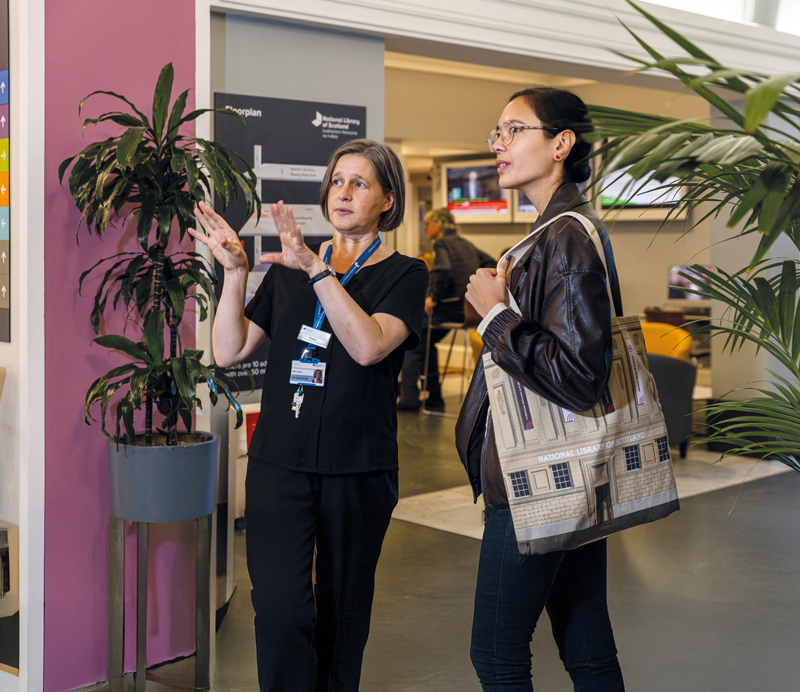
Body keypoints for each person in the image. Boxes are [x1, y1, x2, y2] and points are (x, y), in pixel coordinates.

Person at [189, 139, 428, 692]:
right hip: (279, 464)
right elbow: (229, 350)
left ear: (388, 200)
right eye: (336, 181)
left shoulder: (404, 274)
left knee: (341, 616)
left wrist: (319, 271)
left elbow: (368, 346)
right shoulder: (290, 270)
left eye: (359, 183)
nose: (342, 192)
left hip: (357, 469)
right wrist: (234, 274)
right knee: (279, 611)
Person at [455, 87, 626, 691]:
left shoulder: (565, 238)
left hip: (538, 479)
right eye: (496, 132)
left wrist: (494, 315)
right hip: (571, 471)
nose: (499, 144)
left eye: (515, 130)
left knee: (497, 654)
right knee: (586, 641)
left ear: (561, 144)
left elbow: (578, 377)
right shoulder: (551, 232)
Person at [397, 207, 495, 411]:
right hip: (467, 312)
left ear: (438, 225)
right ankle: (434, 397)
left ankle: (409, 398)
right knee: (426, 342)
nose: (426, 229)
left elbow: (443, 270)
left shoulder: (442, 243)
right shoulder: (465, 243)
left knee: (412, 340)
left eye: (428, 224)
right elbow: (491, 263)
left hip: (448, 309)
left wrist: (432, 297)